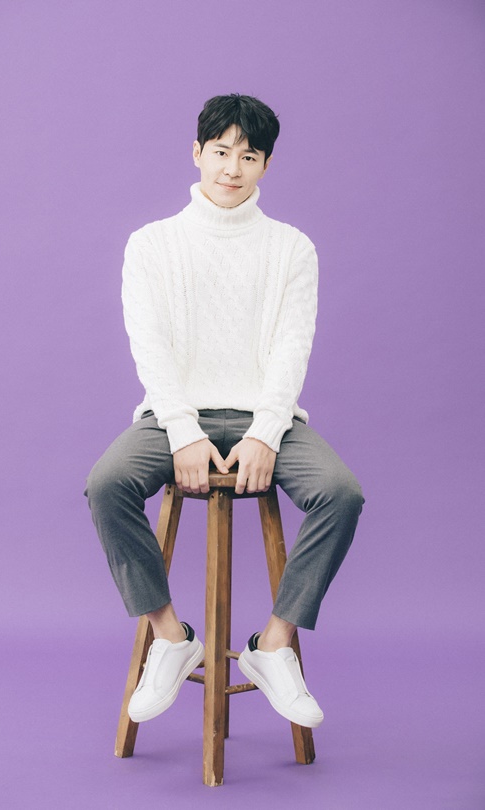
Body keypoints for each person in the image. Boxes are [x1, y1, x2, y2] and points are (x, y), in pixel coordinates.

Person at [85, 94, 364, 729]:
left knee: (341, 493)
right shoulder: (151, 244)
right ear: (197, 153)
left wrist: (266, 432)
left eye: (249, 156)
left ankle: (274, 645)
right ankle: (169, 636)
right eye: (220, 152)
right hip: (172, 415)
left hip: (266, 416)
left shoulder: (292, 248)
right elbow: (150, 347)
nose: (232, 168)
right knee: (106, 483)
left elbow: (291, 349)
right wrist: (182, 431)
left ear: (266, 165)